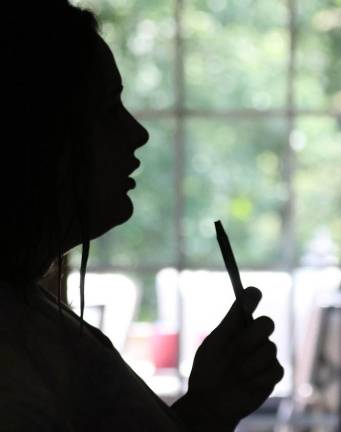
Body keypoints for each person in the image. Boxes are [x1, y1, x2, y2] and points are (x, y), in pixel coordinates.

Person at [0, 1, 284, 430]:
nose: (138, 133)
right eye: (108, 109)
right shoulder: (12, 366)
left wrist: (206, 410)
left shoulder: (28, 314)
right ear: (44, 137)